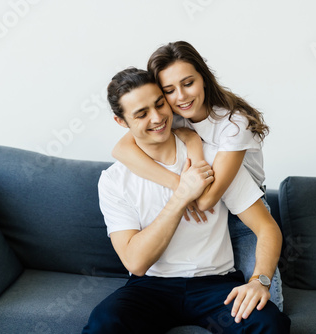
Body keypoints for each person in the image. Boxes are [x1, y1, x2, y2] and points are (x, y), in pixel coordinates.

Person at [82, 68, 290, 333]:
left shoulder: (216, 158)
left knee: (269, 323)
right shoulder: (114, 180)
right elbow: (136, 262)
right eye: (142, 114)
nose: (157, 118)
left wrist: (259, 281)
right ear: (121, 122)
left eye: (160, 104)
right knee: (105, 322)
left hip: (216, 285)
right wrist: (181, 196)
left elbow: (267, 228)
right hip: (151, 287)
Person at [112, 41, 283, 310]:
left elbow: (204, 202)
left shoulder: (233, 125)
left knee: (265, 303)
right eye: (169, 90)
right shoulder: (173, 116)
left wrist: (194, 156)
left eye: (188, 83)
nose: (180, 97)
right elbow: (121, 149)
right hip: (204, 206)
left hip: (242, 212)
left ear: (204, 78)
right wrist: (180, 183)